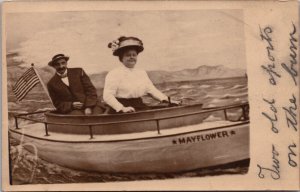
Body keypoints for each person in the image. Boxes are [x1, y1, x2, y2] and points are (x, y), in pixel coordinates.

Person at [103, 36, 180, 113]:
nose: (131, 57)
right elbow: (107, 96)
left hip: (138, 105)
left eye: (134, 55)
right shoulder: (114, 73)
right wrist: (122, 108)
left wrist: (168, 100)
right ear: (121, 58)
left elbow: (151, 90)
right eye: (128, 55)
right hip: (120, 109)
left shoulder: (141, 73)